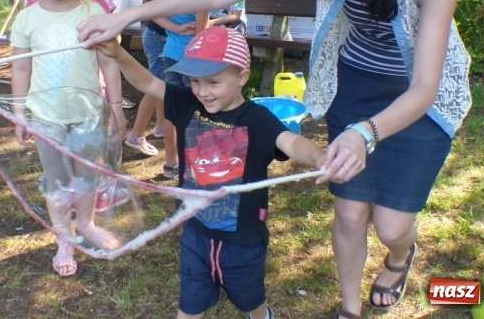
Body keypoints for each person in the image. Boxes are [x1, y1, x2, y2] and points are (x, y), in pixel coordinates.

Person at [78, 0, 472, 318]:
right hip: (357, 85)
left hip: (418, 95)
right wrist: (125, 18)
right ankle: (350, 309)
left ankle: (400, 255)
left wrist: (365, 134)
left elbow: (424, 87)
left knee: (392, 226)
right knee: (349, 215)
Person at [94, 26, 327, 319]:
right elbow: (147, 82)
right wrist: (118, 53)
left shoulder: (257, 119)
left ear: (241, 77)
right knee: (190, 306)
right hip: (195, 233)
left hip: (242, 241)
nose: (202, 91)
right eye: (195, 81)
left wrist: (319, 156)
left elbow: (291, 142)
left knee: (250, 301)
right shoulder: (187, 103)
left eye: (213, 82)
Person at [11, 0, 124, 278]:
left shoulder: (93, 13)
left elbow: (109, 63)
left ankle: (86, 223)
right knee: (57, 182)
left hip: (87, 115)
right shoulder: (27, 19)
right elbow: (21, 67)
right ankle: (65, 238)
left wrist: (116, 107)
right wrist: (19, 113)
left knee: (87, 176)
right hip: (46, 118)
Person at [153, 0, 208, 178]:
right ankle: (195, 165)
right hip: (192, 60)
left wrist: (174, 27)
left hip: (170, 54)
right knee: (197, 112)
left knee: (171, 111)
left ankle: (170, 163)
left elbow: (156, 12)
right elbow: (202, 30)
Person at [123, 0, 180, 165]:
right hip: (157, 36)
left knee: (161, 83)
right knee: (154, 85)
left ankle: (160, 127)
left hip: (160, 35)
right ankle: (136, 134)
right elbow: (160, 5)